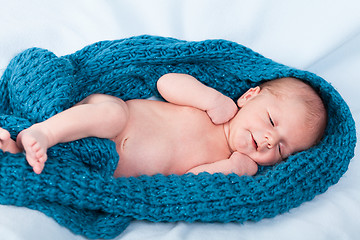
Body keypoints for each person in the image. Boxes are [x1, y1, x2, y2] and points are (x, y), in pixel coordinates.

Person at [0, 73, 327, 177]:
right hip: (112, 119)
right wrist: (209, 97)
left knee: (57, 170)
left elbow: (191, 181)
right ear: (248, 96)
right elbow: (166, 82)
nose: (270, 139)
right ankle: (44, 130)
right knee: (113, 114)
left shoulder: (233, 162)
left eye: (283, 149)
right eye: (271, 121)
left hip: (108, 165)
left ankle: (18, 147)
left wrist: (235, 168)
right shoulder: (217, 108)